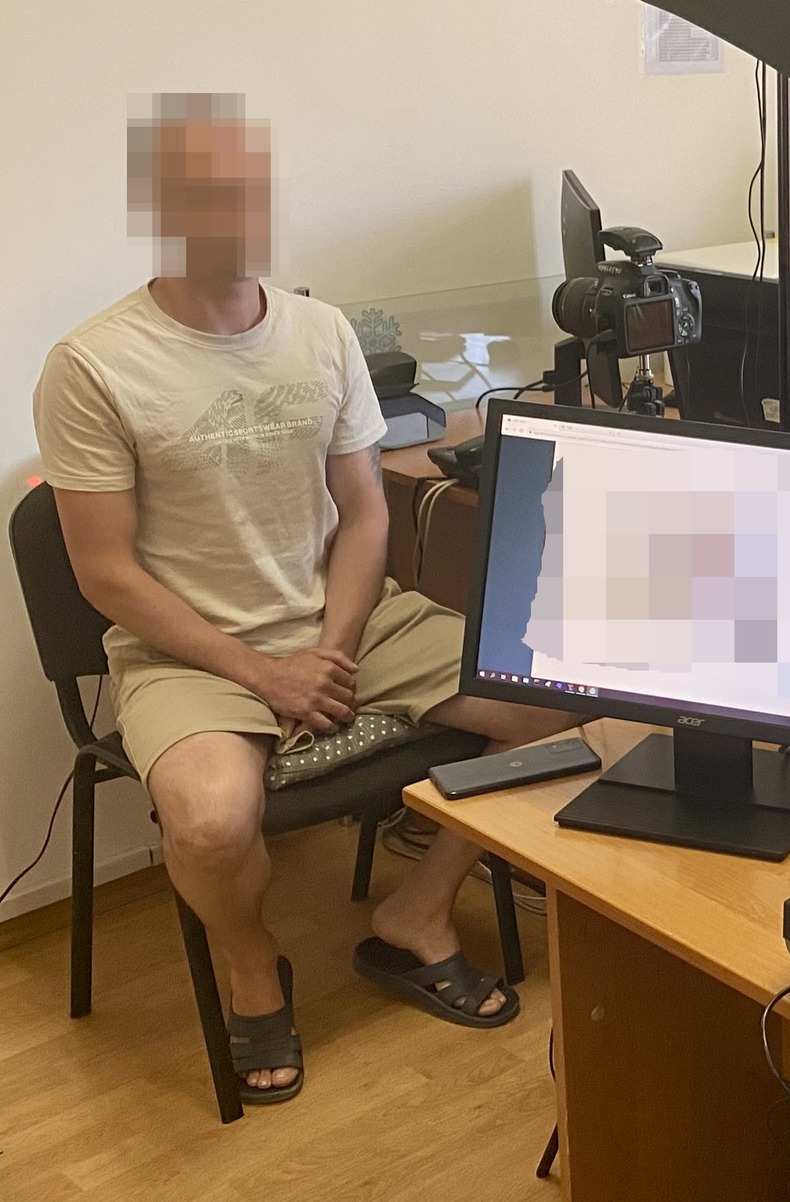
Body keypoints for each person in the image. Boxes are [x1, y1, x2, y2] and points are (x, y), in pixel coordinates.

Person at [32, 95, 586, 1103]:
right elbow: (104, 572)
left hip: (343, 622)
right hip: (190, 652)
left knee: (559, 696)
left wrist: (329, 649)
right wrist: (263, 672)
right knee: (209, 824)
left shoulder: (321, 331)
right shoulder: (92, 365)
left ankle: (416, 911)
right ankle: (253, 964)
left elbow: (365, 514)